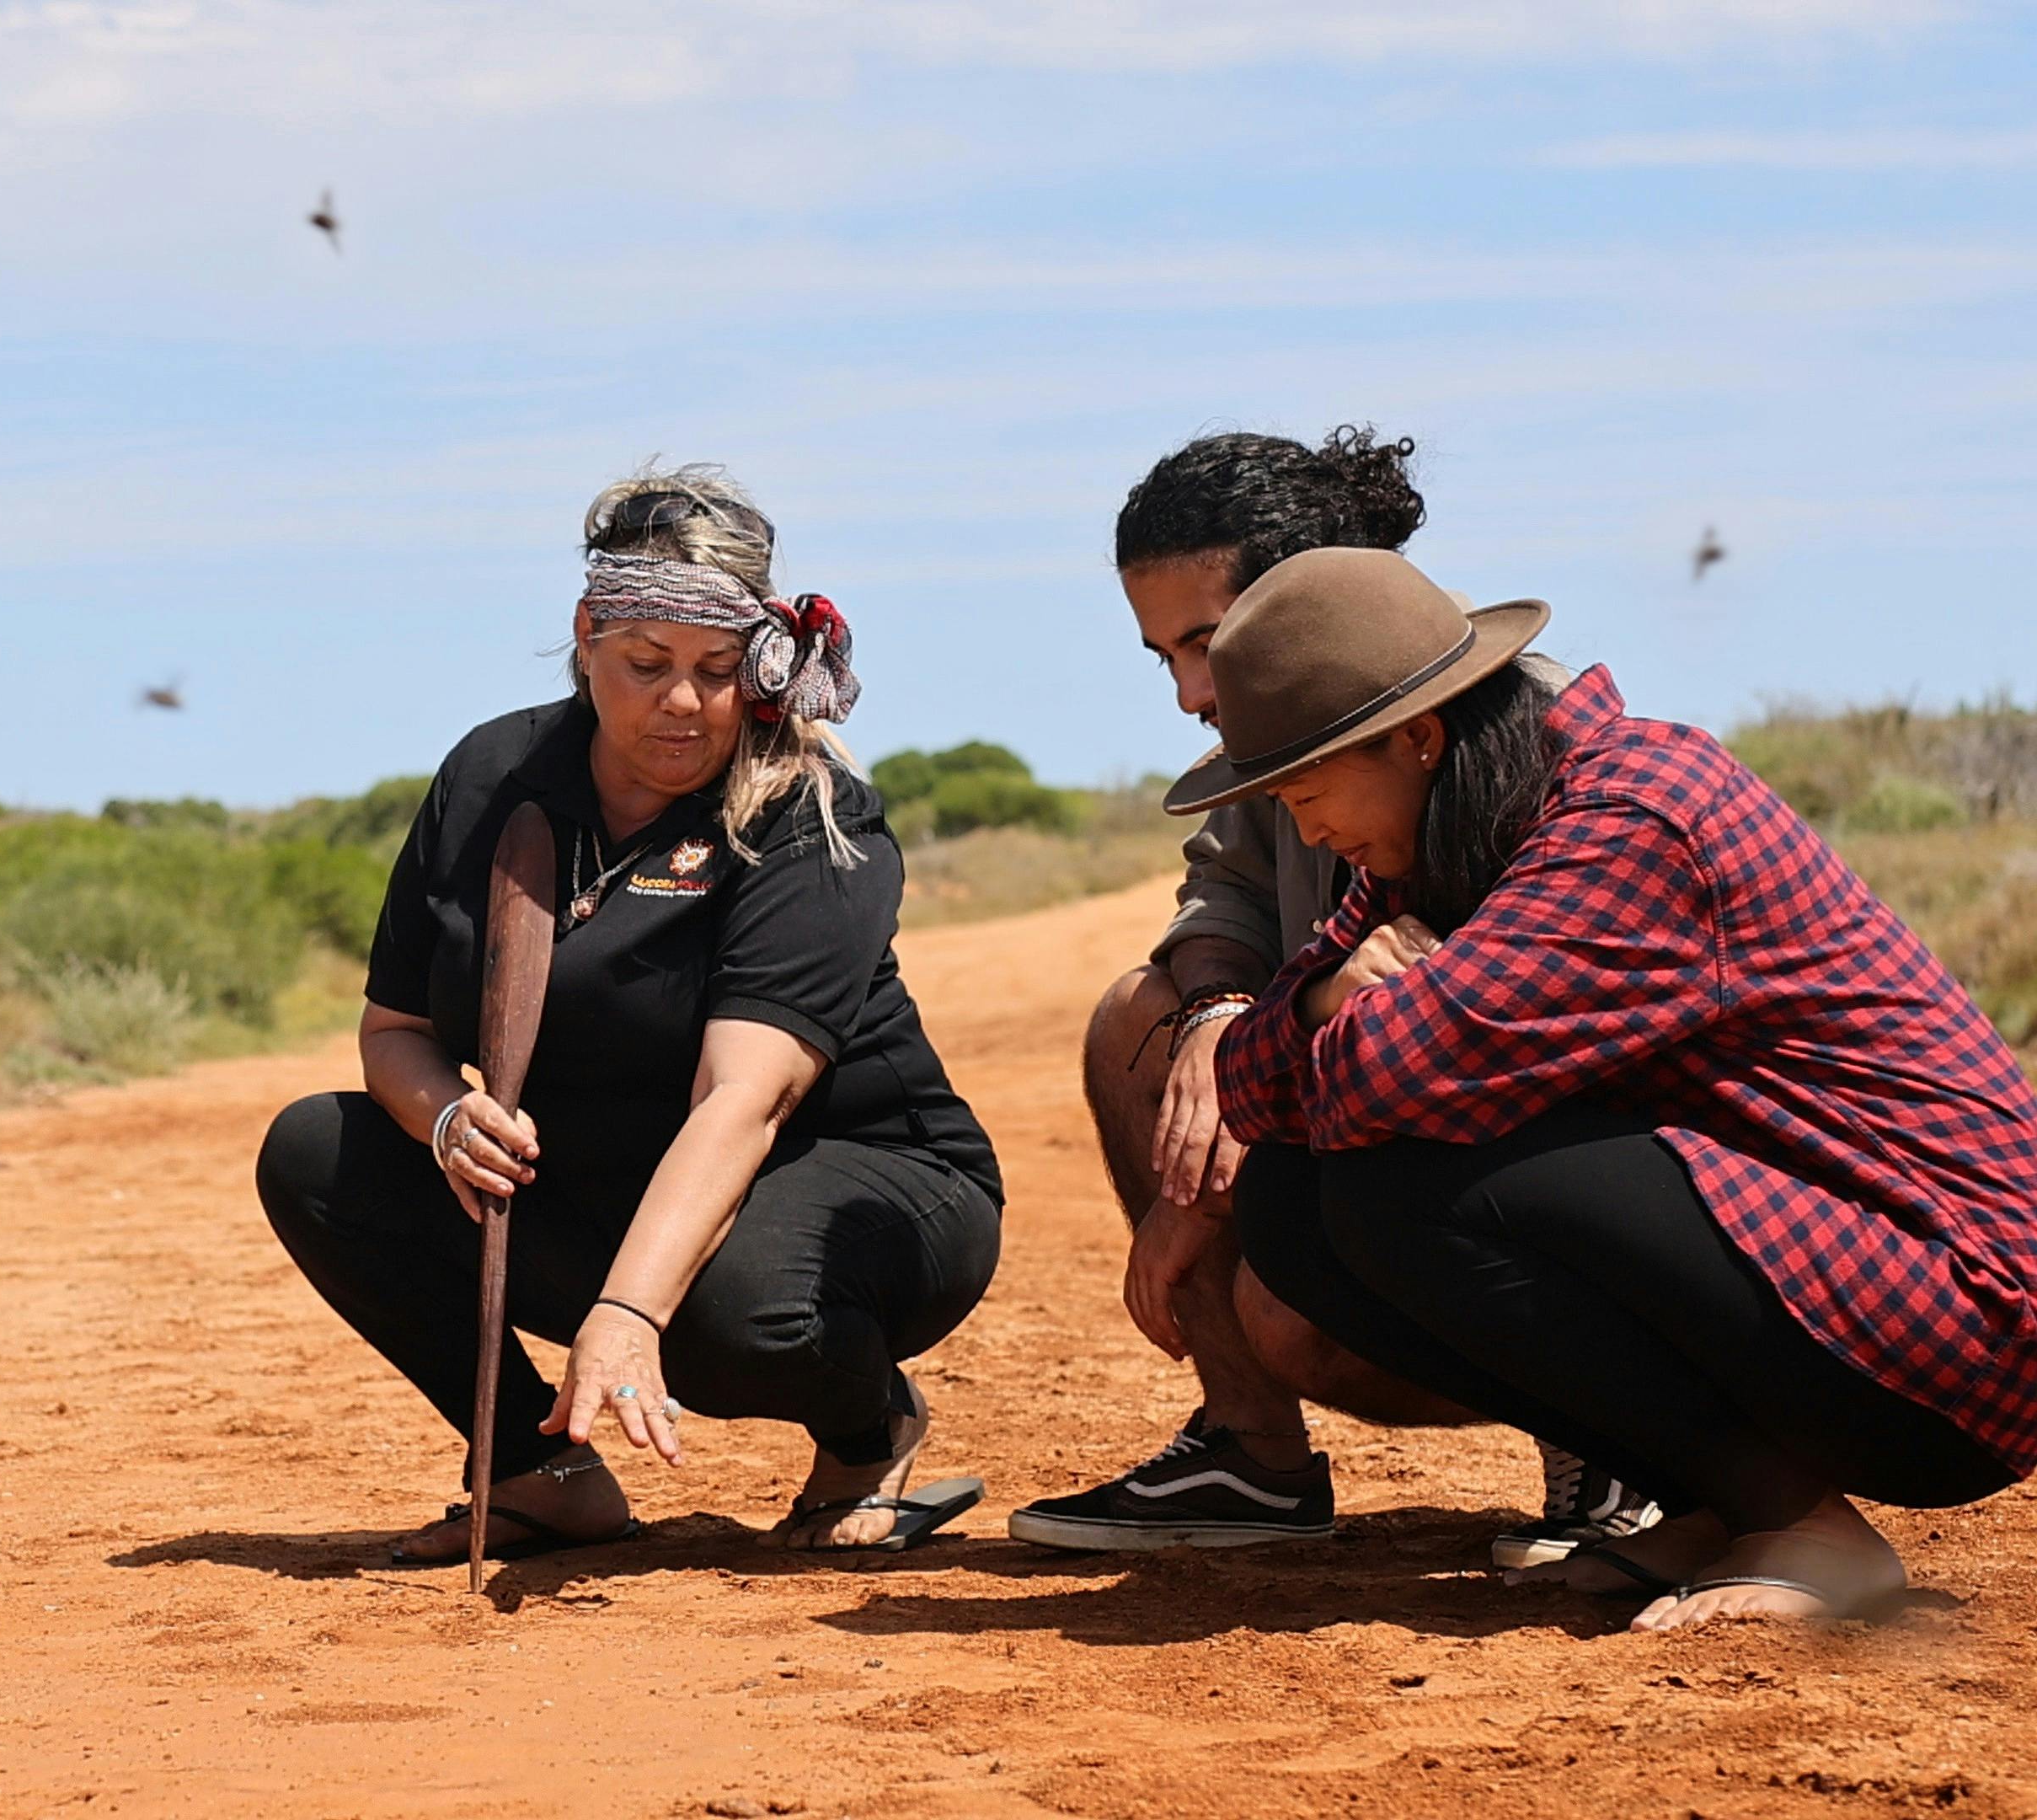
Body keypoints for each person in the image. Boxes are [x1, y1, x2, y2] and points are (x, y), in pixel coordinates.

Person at [1179, 545, 2037, 1629]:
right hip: (1827, 1287)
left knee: (1393, 1187)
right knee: (1288, 1203)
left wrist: (1336, 1029)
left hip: (1962, 1319)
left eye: (1306, 791)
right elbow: (1253, 1088)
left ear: (1416, 738)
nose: (1307, 833)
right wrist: (1318, 999)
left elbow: (1383, 1075)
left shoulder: (1636, 818)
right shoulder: (1442, 834)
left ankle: (1806, 1530)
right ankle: (1721, 1504)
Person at [255, 465, 1004, 1564]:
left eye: (715, 671)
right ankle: (538, 1473)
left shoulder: (807, 807)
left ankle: (865, 1428)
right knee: (319, 1152)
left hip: (851, 1181)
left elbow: (742, 1099)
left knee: (728, 1314)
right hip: (603, 1184)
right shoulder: (492, 777)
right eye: (646, 665)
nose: (684, 702)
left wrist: (628, 1315)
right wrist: (447, 1123)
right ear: (586, 632)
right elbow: (395, 1033)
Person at [1011, 429, 1656, 1568]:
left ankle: (1615, 1439)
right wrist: (1214, 1020)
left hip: (1516, 1153)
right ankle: (1248, 1451)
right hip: (1336, 1100)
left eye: (1207, 645)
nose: (1191, 694)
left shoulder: (1521, 730)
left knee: (1303, 1290)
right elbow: (1223, 901)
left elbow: (1475, 1041)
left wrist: (1211, 1187)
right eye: (1164, 657)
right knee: (1138, 1021)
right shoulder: (1277, 729)